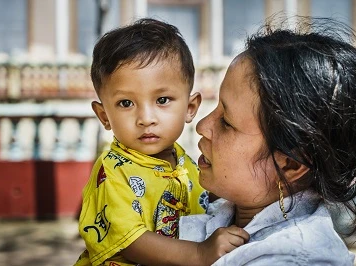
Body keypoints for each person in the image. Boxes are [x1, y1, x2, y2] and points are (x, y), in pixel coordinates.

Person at [180, 17, 356, 265]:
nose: (203, 126)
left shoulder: (296, 258)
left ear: (290, 165)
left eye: (227, 122)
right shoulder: (205, 205)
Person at [75, 18, 249, 266]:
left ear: (190, 108)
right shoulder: (113, 172)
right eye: (126, 103)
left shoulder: (187, 165)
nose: (146, 119)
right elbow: (131, 241)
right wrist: (200, 253)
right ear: (104, 116)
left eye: (163, 100)